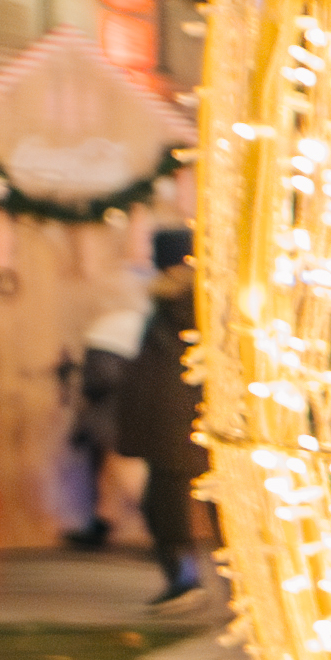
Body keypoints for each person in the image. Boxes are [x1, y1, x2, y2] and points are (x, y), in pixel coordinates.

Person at [113, 223, 212, 605]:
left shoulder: (174, 304)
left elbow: (157, 376)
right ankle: (239, 589)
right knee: (216, 503)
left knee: (166, 505)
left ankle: (185, 580)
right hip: (195, 417)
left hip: (174, 420)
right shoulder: (201, 303)